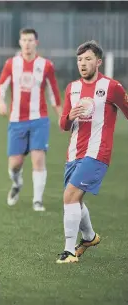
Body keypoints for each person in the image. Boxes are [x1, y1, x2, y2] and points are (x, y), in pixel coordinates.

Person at [57, 40, 128, 263]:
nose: (83, 63)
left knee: (69, 196)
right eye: (79, 60)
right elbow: (63, 125)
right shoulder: (72, 88)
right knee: (74, 200)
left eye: (88, 59)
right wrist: (69, 116)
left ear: (98, 62)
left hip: (98, 153)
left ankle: (69, 252)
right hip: (74, 153)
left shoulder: (112, 87)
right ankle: (89, 237)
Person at [0, 28, 62, 211]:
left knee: (38, 158)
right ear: (20, 42)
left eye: (30, 40)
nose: (27, 44)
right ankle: (17, 184)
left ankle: (37, 200)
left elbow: (54, 94)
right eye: (24, 40)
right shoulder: (11, 64)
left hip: (39, 120)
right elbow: (0, 86)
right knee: (15, 164)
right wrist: (1, 102)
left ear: (36, 43)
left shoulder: (46, 65)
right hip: (17, 121)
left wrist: (61, 116)